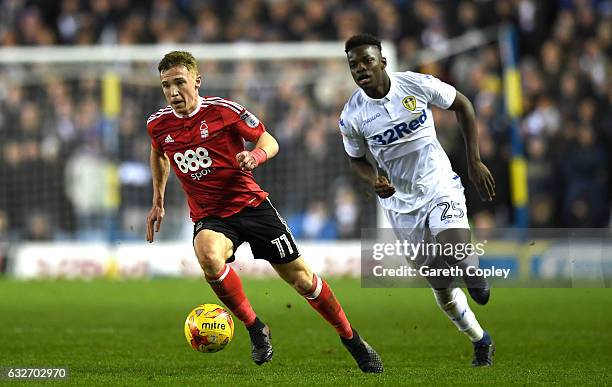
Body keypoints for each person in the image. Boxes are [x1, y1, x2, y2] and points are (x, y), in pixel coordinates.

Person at [145, 51, 383, 373]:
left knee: (302, 280)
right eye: (166, 86)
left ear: (197, 82)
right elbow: (159, 153)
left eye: (179, 83)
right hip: (211, 216)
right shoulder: (158, 124)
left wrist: (255, 158)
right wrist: (158, 200)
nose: (173, 92)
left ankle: (351, 338)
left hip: (252, 206)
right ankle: (256, 328)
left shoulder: (224, 112)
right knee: (208, 255)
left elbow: (269, 141)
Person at [339, 34, 496, 367]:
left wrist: (474, 161)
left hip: (439, 184)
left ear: (382, 61)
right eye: (354, 65)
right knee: (440, 286)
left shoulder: (415, 85)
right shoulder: (352, 115)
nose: (361, 68)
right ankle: (481, 340)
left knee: (455, 250)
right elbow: (355, 159)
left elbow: (463, 105)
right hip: (401, 206)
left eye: (367, 60)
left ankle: (472, 270)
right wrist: (374, 179)